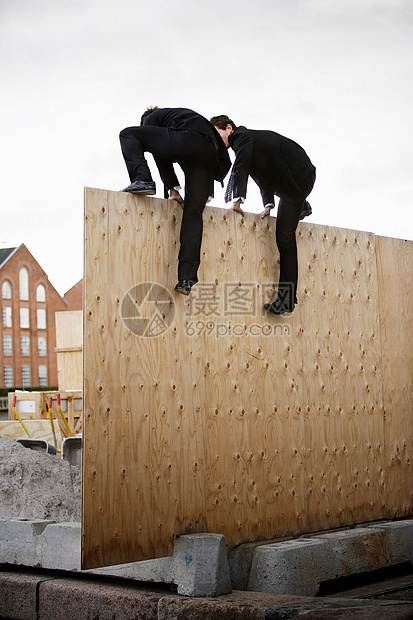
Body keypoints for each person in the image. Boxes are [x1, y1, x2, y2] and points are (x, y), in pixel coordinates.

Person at [211, 115, 316, 314]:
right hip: (297, 179)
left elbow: (241, 166)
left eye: (218, 134)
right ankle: (302, 205)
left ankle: (286, 301)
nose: (218, 141)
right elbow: (262, 174)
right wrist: (268, 204)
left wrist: (237, 200)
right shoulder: (251, 142)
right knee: (286, 228)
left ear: (228, 127)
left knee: (285, 240)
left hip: (299, 177)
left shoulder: (241, 138)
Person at [120, 107, 231, 295]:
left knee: (128, 134)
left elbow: (160, 155)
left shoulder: (152, 118)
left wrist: (172, 187)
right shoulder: (180, 116)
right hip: (210, 155)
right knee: (193, 214)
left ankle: (142, 177)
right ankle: (186, 278)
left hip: (189, 140)